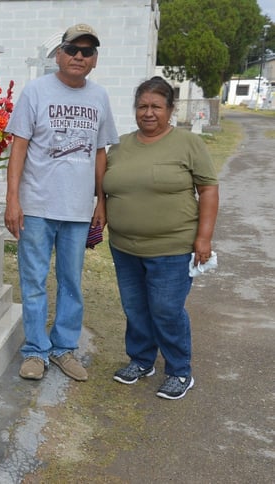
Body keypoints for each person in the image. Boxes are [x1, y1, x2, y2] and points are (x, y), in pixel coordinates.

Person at [5, 24, 119, 382]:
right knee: (34, 280)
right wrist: (12, 200)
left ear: (95, 60)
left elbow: (100, 153)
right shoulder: (36, 91)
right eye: (72, 49)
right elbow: (19, 147)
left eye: (87, 51)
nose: (78, 57)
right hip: (37, 205)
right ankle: (36, 351)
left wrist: (101, 201)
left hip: (77, 210)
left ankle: (64, 348)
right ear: (59, 54)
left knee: (71, 281)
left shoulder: (99, 97)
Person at [103, 76, 219, 400]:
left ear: (170, 109)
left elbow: (208, 189)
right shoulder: (121, 145)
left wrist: (204, 238)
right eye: (142, 106)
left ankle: (180, 371)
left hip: (172, 247)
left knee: (166, 309)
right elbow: (105, 186)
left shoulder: (188, 144)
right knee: (135, 307)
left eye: (156, 106)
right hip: (125, 247)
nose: (148, 112)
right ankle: (141, 361)